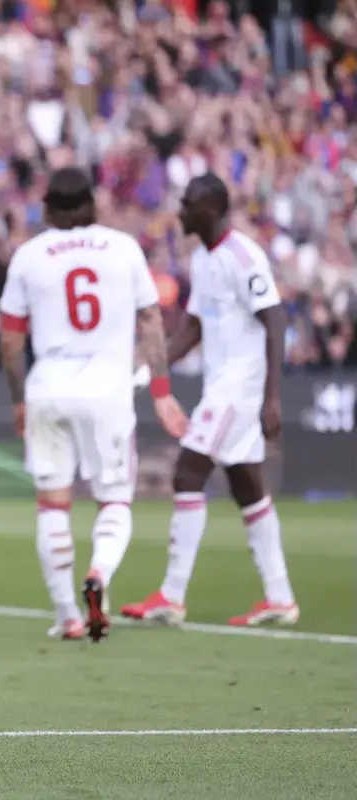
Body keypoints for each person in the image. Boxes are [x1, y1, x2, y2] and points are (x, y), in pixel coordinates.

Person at [0, 167, 188, 643]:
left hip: (49, 386)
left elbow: (9, 341)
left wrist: (19, 400)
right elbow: (151, 323)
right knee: (115, 499)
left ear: (47, 209)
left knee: (52, 506)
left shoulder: (29, 256)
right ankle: (99, 573)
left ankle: (67, 615)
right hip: (108, 388)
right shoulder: (123, 248)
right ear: (93, 203)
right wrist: (161, 392)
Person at [121, 173, 298, 628]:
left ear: (213, 209)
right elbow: (193, 329)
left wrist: (272, 397)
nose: (180, 211)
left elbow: (276, 321)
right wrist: (147, 374)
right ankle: (279, 597)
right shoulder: (203, 259)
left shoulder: (244, 257)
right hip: (223, 384)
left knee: (188, 471)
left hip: (240, 388)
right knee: (247, 487)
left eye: (189, 204)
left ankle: (172, 595)